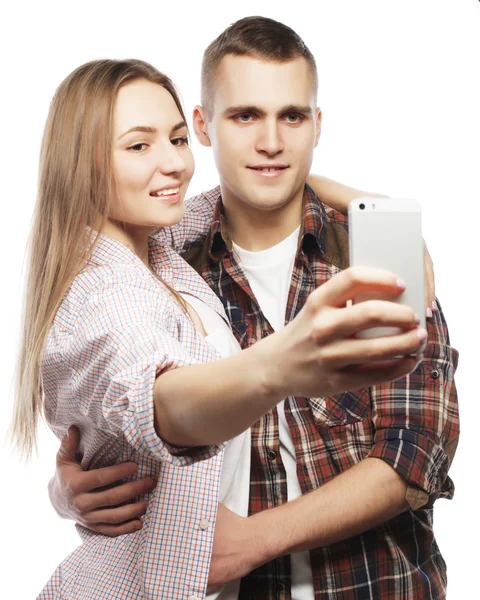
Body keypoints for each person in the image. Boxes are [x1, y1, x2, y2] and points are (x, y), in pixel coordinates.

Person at [47, 16, 459, 600]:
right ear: (205, 126)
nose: (271, 142)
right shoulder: (167, 258)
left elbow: (416, 452)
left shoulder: (379, 253)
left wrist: (256, 539)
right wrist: (67, 489)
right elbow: (120, 404)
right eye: (245, 116)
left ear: (317, 126)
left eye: (291, 116)